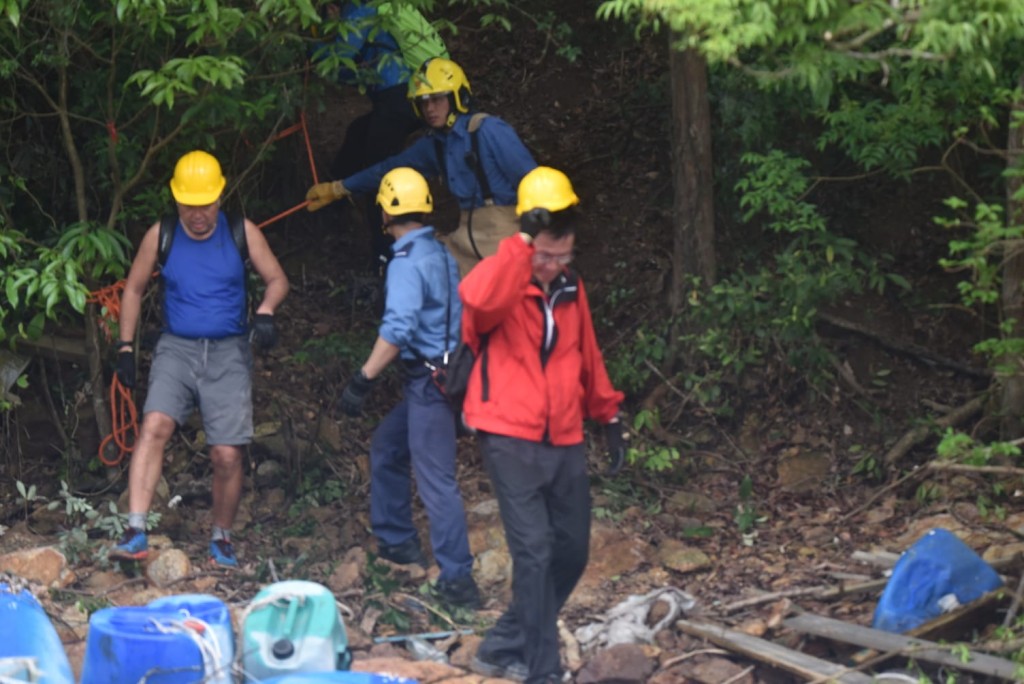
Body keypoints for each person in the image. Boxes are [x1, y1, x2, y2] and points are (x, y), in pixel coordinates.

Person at [459, 167, 627, 683]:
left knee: (571, 551)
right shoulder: (504, 279)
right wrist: (521, 248)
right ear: (528, 238)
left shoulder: (571, 287)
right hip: (508, 434)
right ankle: (542, 670)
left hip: (563, 435)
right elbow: (477, 300)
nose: (553, 267)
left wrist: (608, 413)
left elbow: (586, 354)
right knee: (532, 554)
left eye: (563, 257)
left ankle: (502, 644)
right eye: (545, 256)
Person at [111, 150, 289, 568]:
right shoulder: (162, 234)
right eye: (189, 205)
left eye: (205, 204)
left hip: (228, 351)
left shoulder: (241, 231)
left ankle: (221, 536)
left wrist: (266, 311)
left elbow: (277, 279)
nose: (197, 215)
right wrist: (125, 347)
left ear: (219, 197)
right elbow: (133, 289)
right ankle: (135, 530)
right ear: (176, 201)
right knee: (154, 425)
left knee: (226, 454)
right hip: (176, 347)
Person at [337, 166, 480, 608]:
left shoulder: (406, 263)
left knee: (436, 480)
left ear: (385, 212)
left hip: (429, 384)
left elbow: (397, 330)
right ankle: (398, 540)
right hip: (450, 375)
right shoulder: (439, 252)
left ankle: (458, 579)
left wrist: (363, 378)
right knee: (387, 446)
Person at [306, 57, 537, 278]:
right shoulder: (435, 144)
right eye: (423, 102)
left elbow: (535, 183)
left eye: (437, 99)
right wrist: (339, 188)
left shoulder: (487, 130)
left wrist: (533, 236)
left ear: (457, 97)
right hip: (465, 235)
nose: (429, 108)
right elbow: (389, 169)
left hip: (505, 233)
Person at [311, 1, 449, 270]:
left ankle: (385, 254)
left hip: (399, 99)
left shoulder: (361, 9)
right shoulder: (378, 7)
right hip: (408, 97)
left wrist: (313, 44)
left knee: (378, 171)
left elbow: (338, 61)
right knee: (358, 134)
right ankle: (332, 207)